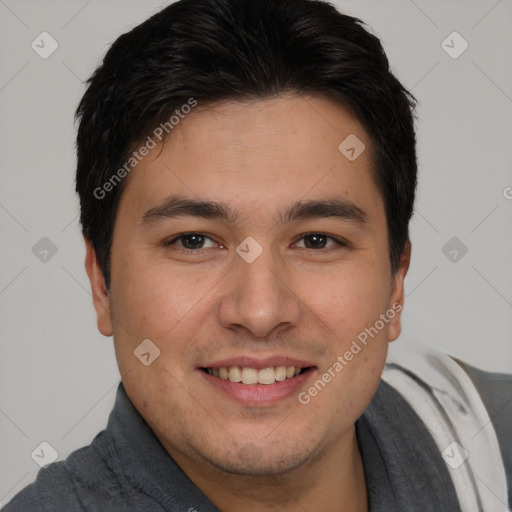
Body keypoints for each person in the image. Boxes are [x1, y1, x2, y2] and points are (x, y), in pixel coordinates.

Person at [4, 0, 510, 510]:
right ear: (102, 283)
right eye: (194, 241)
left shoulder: (488, 445)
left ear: (395, 282)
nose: (261, 312)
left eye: (317, 240)